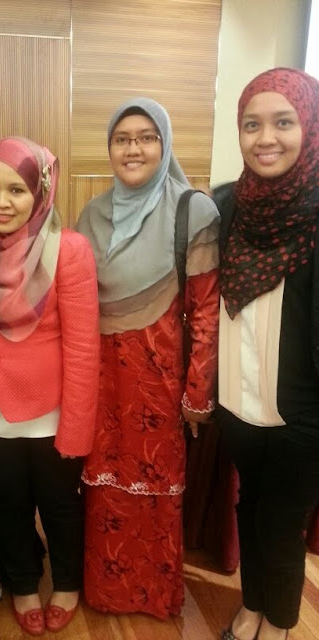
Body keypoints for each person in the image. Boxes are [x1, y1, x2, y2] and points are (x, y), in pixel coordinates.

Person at [76, 97, 220, 619]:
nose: (132, 149)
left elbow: (205, 312)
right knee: (103, 487)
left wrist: (197, 394)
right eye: (122, 139)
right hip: (100, 378)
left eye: (145, 137)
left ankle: (155, 595)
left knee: (157, 485)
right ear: (109, 148)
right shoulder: (91, 214)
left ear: (164, 143)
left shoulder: (194, 211)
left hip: (158, 381)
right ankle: (105, 590)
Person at [0, 136, 100, 636]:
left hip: (52, 410)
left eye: (16, 190)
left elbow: (83, 347)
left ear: (40, 191)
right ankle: (21, 584)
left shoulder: (69, 249)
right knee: (7, 504)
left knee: (59, 505)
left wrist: (77, 428)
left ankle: (66, 583)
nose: (2, 202)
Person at [216, 67, 319, 640]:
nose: (266, 138)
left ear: (310, 127)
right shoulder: (228, 205)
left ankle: (278, 623)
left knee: (282, 523)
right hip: (238, 399)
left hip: (302, 412)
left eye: (283, 122)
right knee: (249, 507)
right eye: (251, 125)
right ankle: (252, 605)